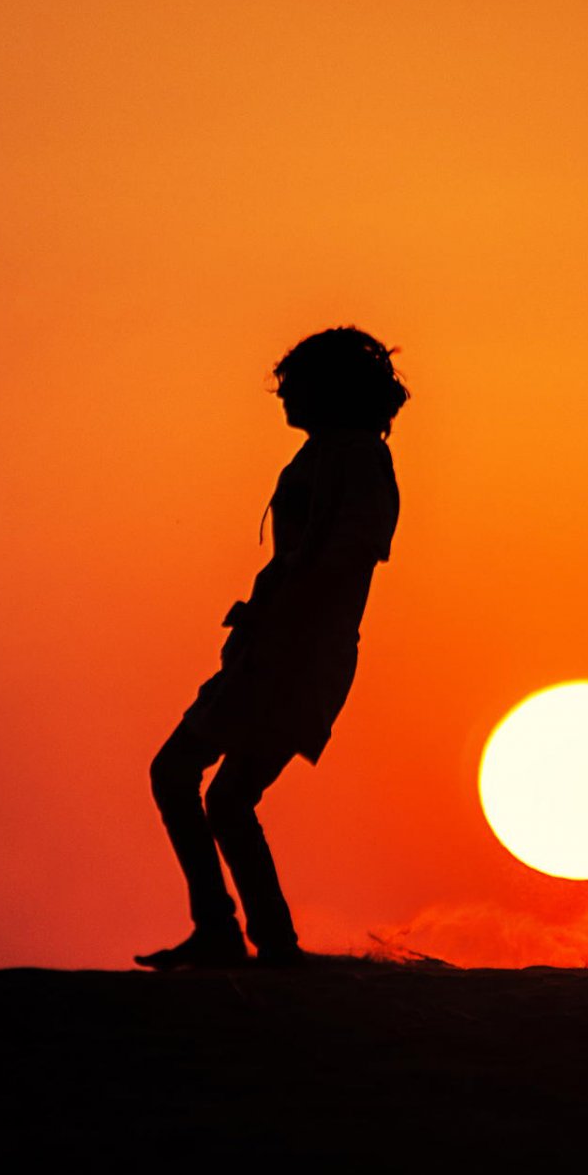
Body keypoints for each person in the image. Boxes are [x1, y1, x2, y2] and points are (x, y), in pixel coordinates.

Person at [137, 327, 406, 969]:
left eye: (295, 384)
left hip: (294, 657)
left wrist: (284, 614)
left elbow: (349, 550)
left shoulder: (356, 457)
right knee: (222, 797)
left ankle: (233, 935)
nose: (284, 395)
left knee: (182, 776)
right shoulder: (327, 454)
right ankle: (259, 941)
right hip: (278, 648)